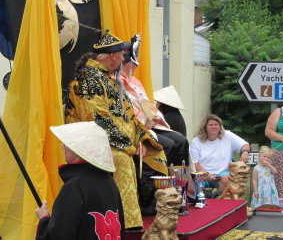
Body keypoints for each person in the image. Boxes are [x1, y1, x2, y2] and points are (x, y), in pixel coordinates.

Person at [64, 30, 168, 229]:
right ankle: (126, 225)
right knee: (121, 158)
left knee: (158, 151)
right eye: (121, 55)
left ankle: (149, 211)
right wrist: (129, 146)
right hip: (90, 143)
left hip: (116, 141)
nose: (123, 59)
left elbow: (129, 116)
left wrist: (142, 139)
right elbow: (97, 120)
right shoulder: (87, 80)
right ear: (112, 56)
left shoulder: (107, 79)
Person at [35, 121, 124, 240]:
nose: (63, 147)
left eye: (67, 144)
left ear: (78, 151)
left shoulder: (73, 187)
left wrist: (44, 219)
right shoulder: (110, 183)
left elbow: (59, 236)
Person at [119, 38, 189, 168]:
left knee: (181, 141)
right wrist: (146, 121)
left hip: (150, 124)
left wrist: (155, 116)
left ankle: (180, 182)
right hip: (136, 127)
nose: (135, 66)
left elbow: (147, 104)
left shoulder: (135, 82)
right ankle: (159, 182)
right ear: (127, 63)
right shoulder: (116, 82)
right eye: (133, 64)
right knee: (168, 145)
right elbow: (125, 109)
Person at [189, 114, 250, 193]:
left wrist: (245, 152)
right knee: (192, 186)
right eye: (210, 125)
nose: (214, 127)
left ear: (220, 126)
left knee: (226, 179)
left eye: (216, 124)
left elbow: (245, 145)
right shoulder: (196, 141)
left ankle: (222, 201)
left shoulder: (228, 136)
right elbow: (194, 163)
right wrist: (207, 175)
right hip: (202, 173)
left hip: (223, 172)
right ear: (205, 127)